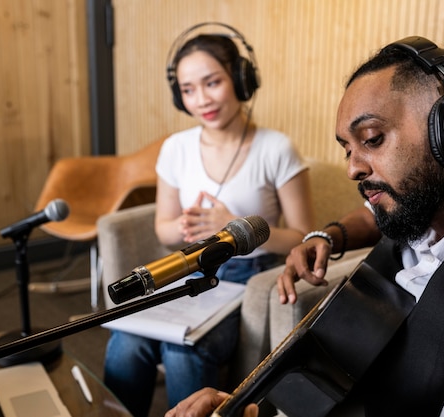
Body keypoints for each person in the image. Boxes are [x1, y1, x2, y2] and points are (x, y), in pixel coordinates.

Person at [166, 35, 444, 417]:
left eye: (371, 138)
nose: (352, 168)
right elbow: (373, 216)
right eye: (348, 149)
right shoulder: (420, 198)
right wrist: (328, 236)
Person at [103, 23, 314, 417]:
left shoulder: (276, 148)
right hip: (193, 274)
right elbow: (163, 229)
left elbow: (304, 236)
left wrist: (233, 226)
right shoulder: (175, 148)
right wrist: (187, 228)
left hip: (248, 278)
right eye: (188, 89)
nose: (202, 99)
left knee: (182, 350)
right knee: (125, 340)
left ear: (239, 78)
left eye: (212, 82)